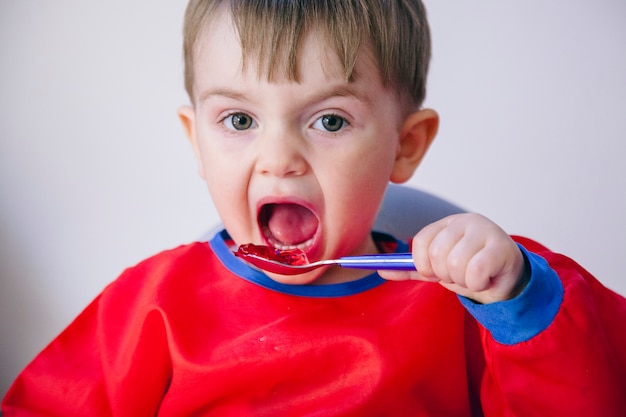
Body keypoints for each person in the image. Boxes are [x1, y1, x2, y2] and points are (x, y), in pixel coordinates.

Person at [3, 0, 625, 415]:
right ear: (196, 140)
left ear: (404, 147)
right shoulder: (154, 307)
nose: (280, 158)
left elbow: (593, 394)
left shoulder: (460, 303)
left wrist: (521, 296)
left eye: (329, 120)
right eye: (239, 119)